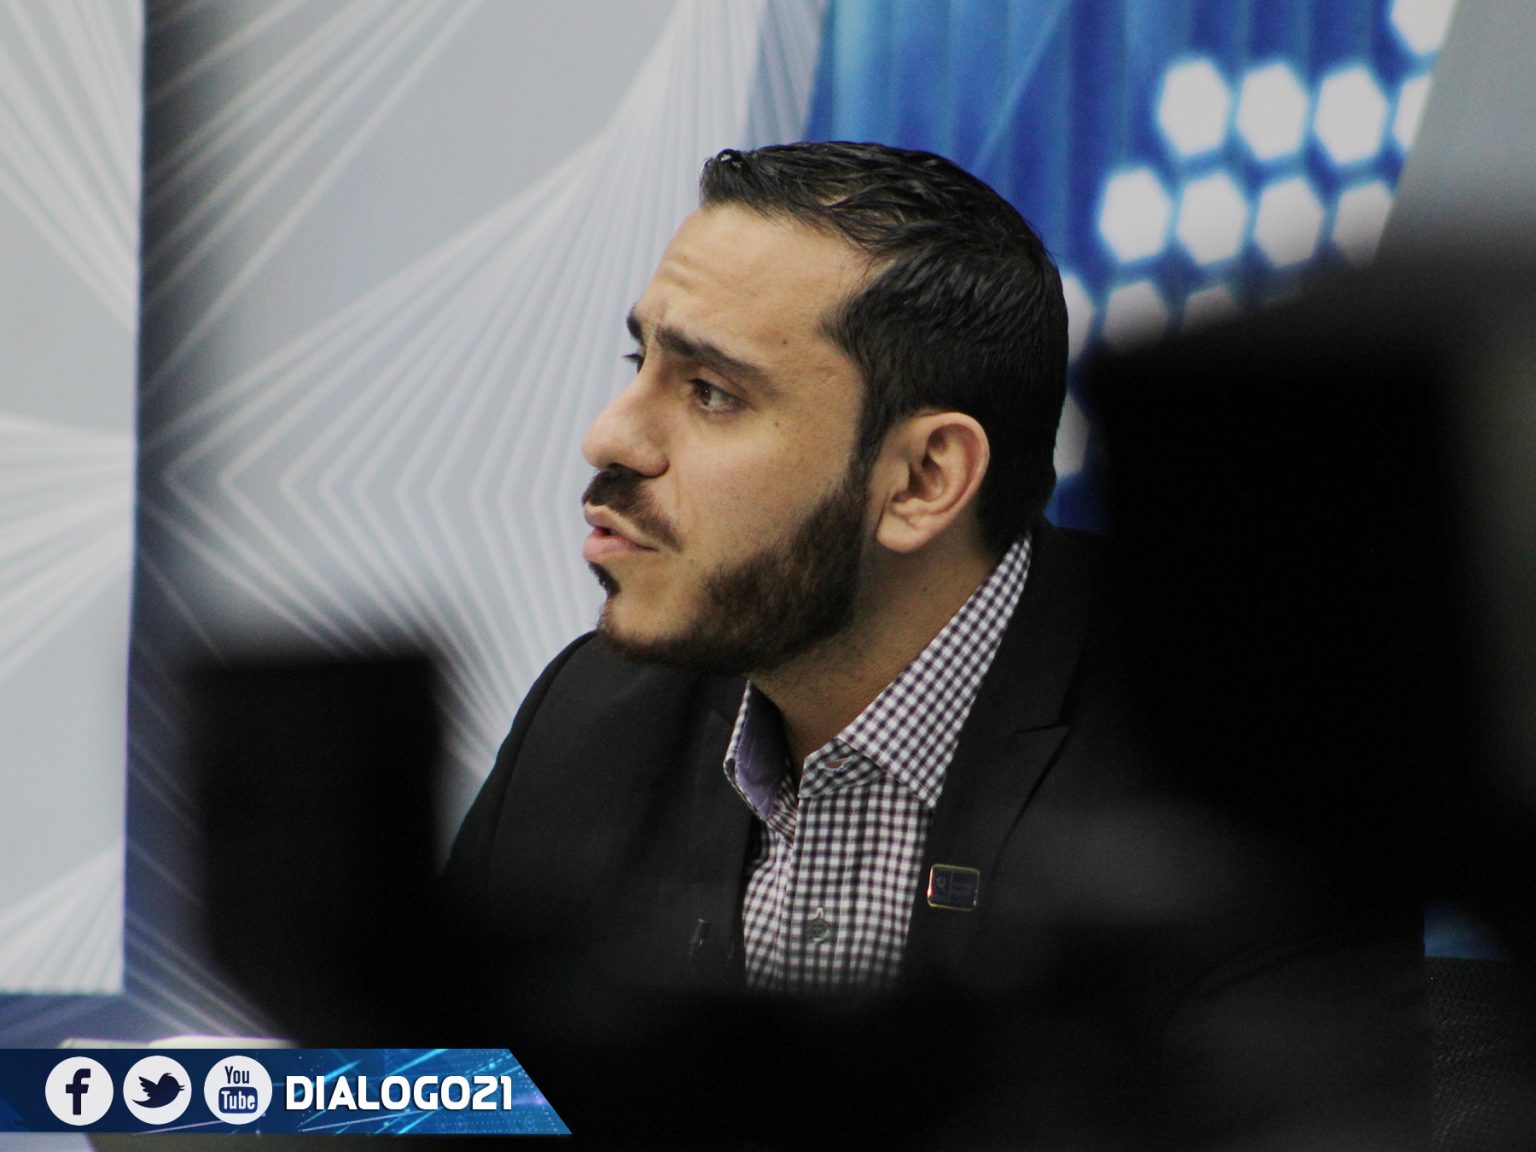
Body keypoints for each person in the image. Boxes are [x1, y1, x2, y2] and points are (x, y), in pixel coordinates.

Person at [444, 142, 1427, 1149]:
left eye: (712, 393)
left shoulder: (1235, 762)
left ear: (923, 480)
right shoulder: (590, 710)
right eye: (639, 363)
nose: (611, 436)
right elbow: (418, 1097)